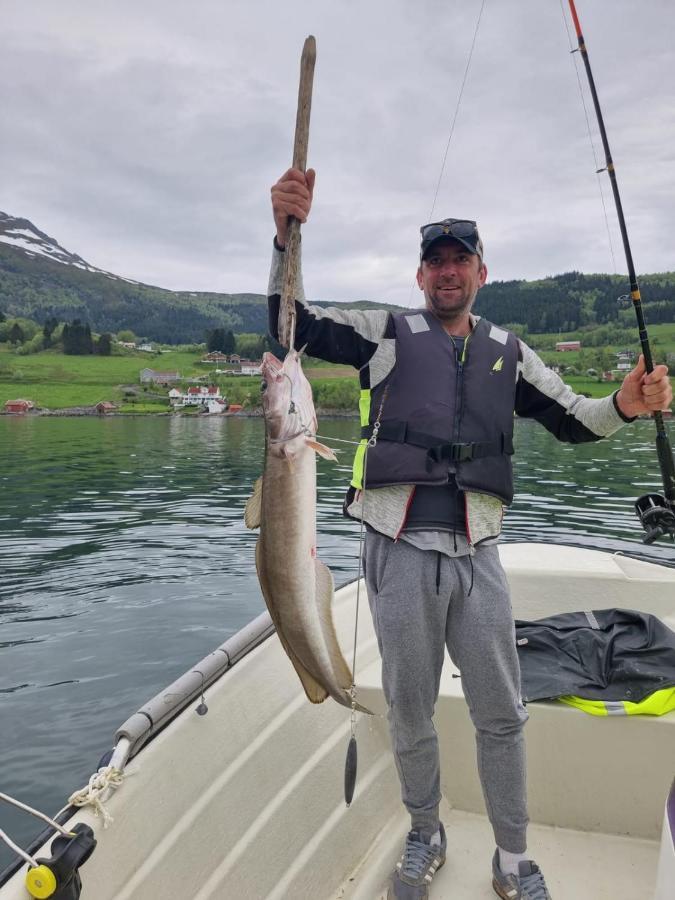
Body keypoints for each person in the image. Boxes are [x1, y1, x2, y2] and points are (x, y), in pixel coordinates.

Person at [267, 167, 673, 900]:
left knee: (501, 712)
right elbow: (288, 324)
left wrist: (625, 401)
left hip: (478, 554)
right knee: (410, 708)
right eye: (436, 260)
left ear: (481, 273)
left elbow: (576, 420)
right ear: (419, 273)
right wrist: (283, 235)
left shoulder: (510, 353)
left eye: (460, 259)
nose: (447, 271)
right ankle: (424, 831)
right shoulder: (383, 333)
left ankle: (513, 855)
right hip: (394, 551)